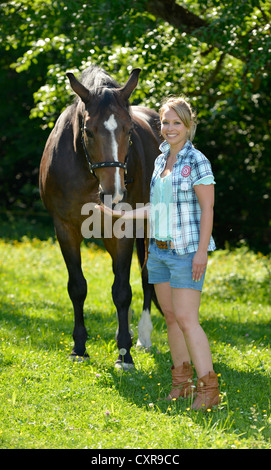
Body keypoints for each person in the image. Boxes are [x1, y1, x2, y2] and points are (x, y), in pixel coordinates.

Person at [96, 96, 220, 411]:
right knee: (171, 319)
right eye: (165, 122)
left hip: (186, 252)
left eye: (177, 122)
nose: (170, 128)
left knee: (188, 319)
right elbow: (158, 209)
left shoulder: (197, 161)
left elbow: (208, 209)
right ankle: (182, 384)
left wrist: (201, 252)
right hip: (159, 252)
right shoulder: (160, 161)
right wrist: (123, 217)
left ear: (188, 125)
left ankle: (209, 390)